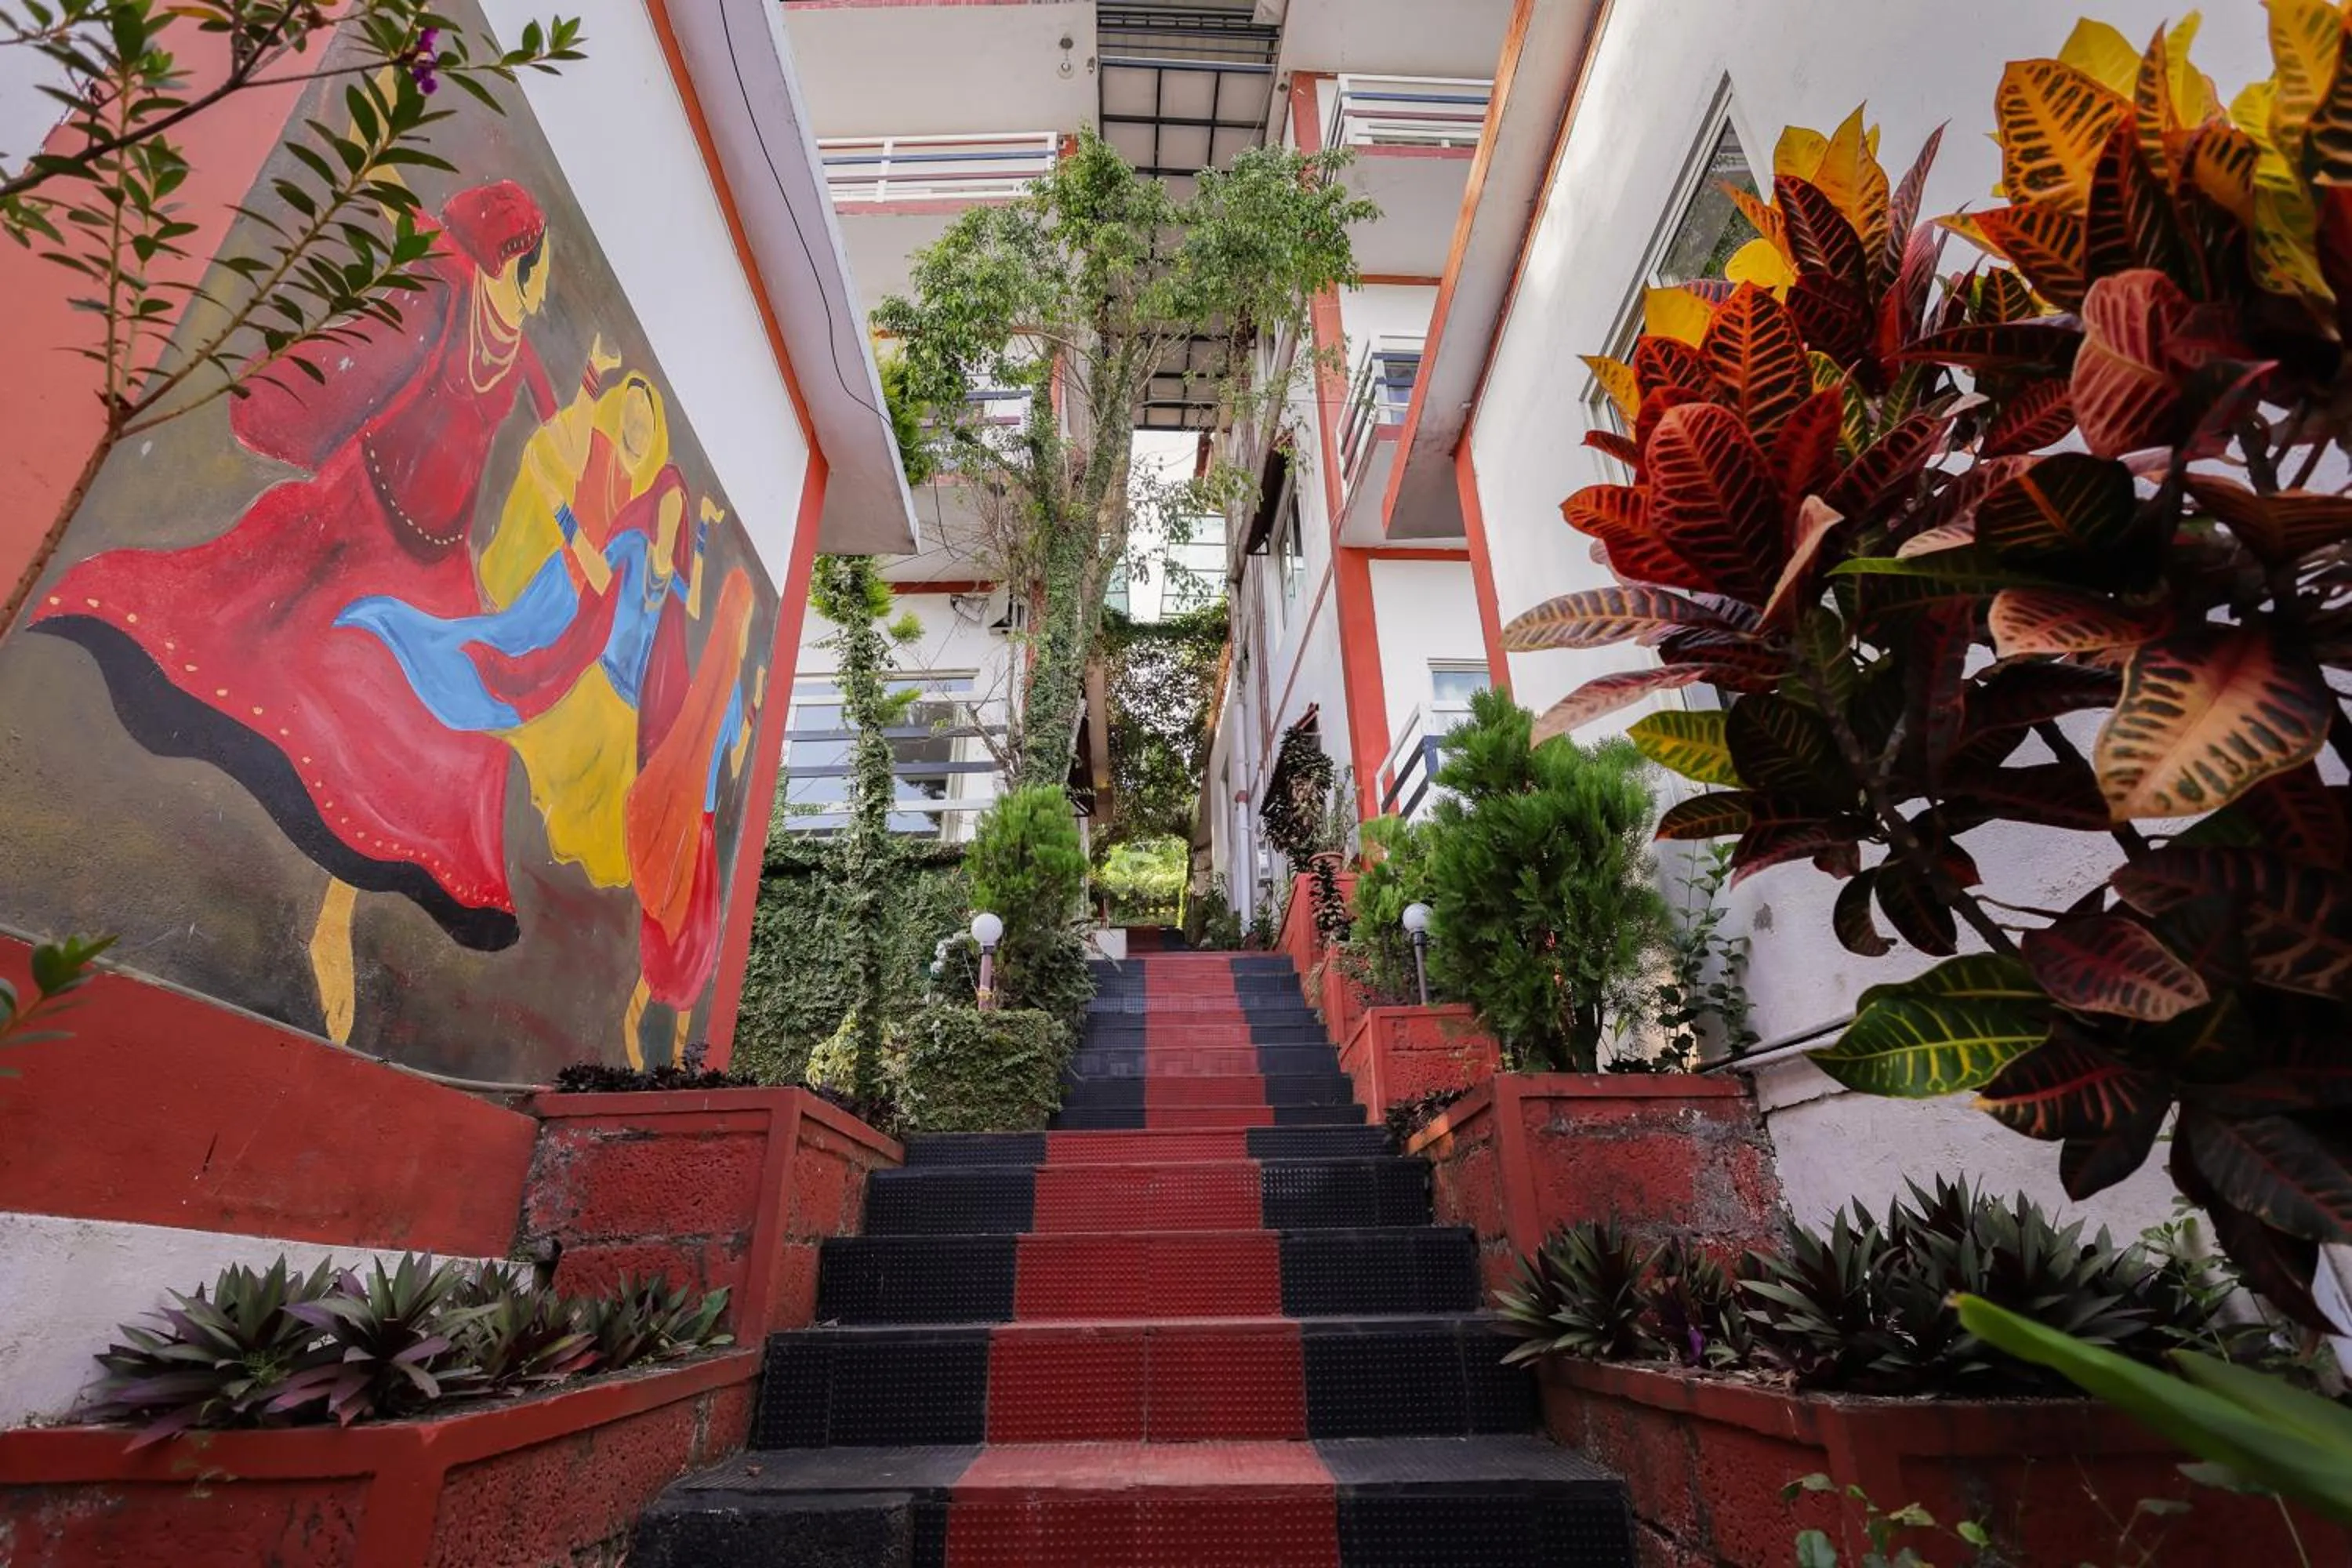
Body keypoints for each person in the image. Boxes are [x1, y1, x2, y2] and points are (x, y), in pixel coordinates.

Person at [31, 180, 568, 1043]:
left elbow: (558, 415)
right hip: (363, 514)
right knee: (273, 643)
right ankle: (276, 881)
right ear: (523, 253)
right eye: (540, 264)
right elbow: (371, 328)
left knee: (456, 740)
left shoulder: (517, 335)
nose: (545, 286)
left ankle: (335, 914)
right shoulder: (442, 284)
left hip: (439, 559)